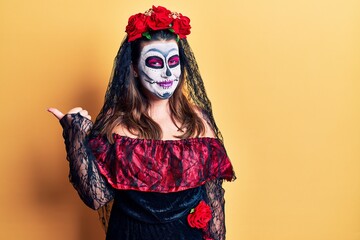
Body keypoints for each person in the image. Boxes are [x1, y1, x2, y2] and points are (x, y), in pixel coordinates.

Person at [48, 5, 235, 240]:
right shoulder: (116, 123)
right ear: (135, 69)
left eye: (174, 61)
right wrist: (75, 134)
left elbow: (214, 196)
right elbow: (96, 197)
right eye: (156, 63)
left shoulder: (199, 120)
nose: (168, 73)